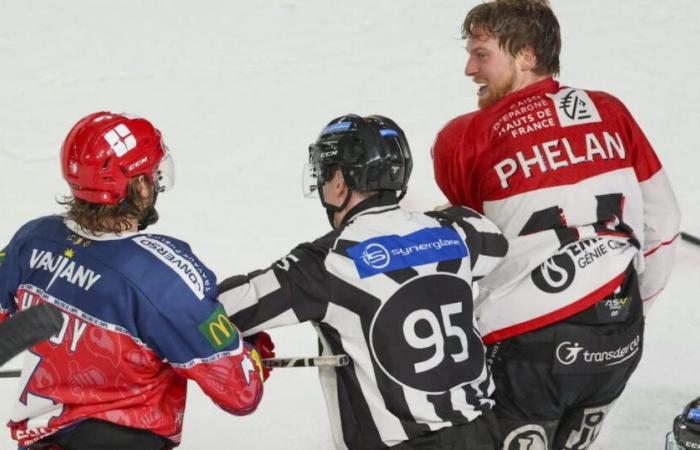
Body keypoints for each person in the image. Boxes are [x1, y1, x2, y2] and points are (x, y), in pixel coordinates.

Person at [431, 1, 681, 449]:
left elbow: (470, 250)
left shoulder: (464, 136)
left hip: (530, 347)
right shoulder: (611, 110)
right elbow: (664, 224)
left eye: (482, 53)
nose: (470, 68)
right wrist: (622, 307)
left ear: (526, 54)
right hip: (618, 340)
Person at [218, 114, 508, 450]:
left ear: (340, 180)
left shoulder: (328, 261)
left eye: (325, 173)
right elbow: (496, 242)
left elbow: (226, 308)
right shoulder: (456, 231)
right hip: (483, 434)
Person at [0, 112, 265, 450]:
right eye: (152, 173)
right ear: (139, 185)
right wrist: (248, 347)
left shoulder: (32, 240)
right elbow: (241, 392)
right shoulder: (163, 279)